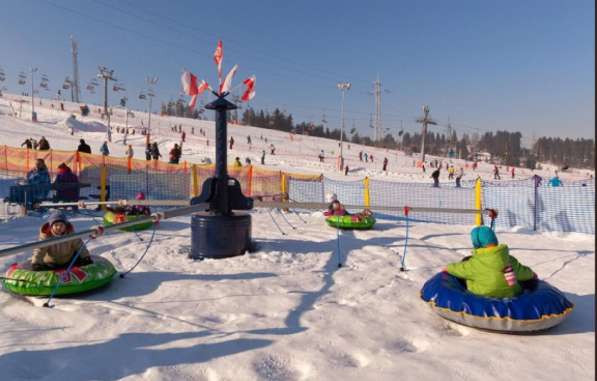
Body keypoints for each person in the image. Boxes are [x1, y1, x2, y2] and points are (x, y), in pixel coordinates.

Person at [445, 226, 536, 298]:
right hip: (510, 294)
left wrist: (448, 268)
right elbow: (524, 273)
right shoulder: (509, 259)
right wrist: (532, 274)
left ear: (476, 244)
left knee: (466, 273)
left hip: (482, 294)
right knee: (514, 276)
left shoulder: (474, 263)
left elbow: (459, 269)